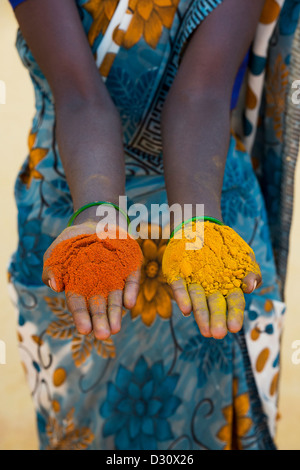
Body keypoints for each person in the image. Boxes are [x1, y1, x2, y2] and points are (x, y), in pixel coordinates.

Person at [7, 0, 298, 450]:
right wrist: (98, 218)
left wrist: (199, 225)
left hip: (210, 227)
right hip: (78, 221)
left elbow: (203, 93)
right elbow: (78, 93)